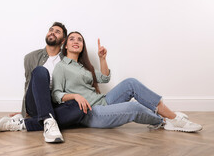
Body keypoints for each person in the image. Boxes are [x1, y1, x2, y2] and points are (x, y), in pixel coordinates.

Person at [52, 31, 203, 132]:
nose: (76, 41)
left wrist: (102, 59)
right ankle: (164, 121)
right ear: (66, 45)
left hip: (104, 101)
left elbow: (105, 78)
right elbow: (56, 94)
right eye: (72, 39)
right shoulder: (61, 67)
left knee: (131, 82)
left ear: (83, 46)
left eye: (80, 39)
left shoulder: (84, 67)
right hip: (91, 112)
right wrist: (75, 96)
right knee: (134, 108)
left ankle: (172, 117)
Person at [0, 22, 86, 143]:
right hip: (36, 102)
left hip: (56, 103)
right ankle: (48, 120)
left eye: (57, 31)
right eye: (51, 30)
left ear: (63, 40)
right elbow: (28, 85)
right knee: (40, 71)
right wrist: (24, 111)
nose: (53, 32)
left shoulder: (67, 61)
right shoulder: (30, 57)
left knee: (80, 108)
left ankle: (24, 124)